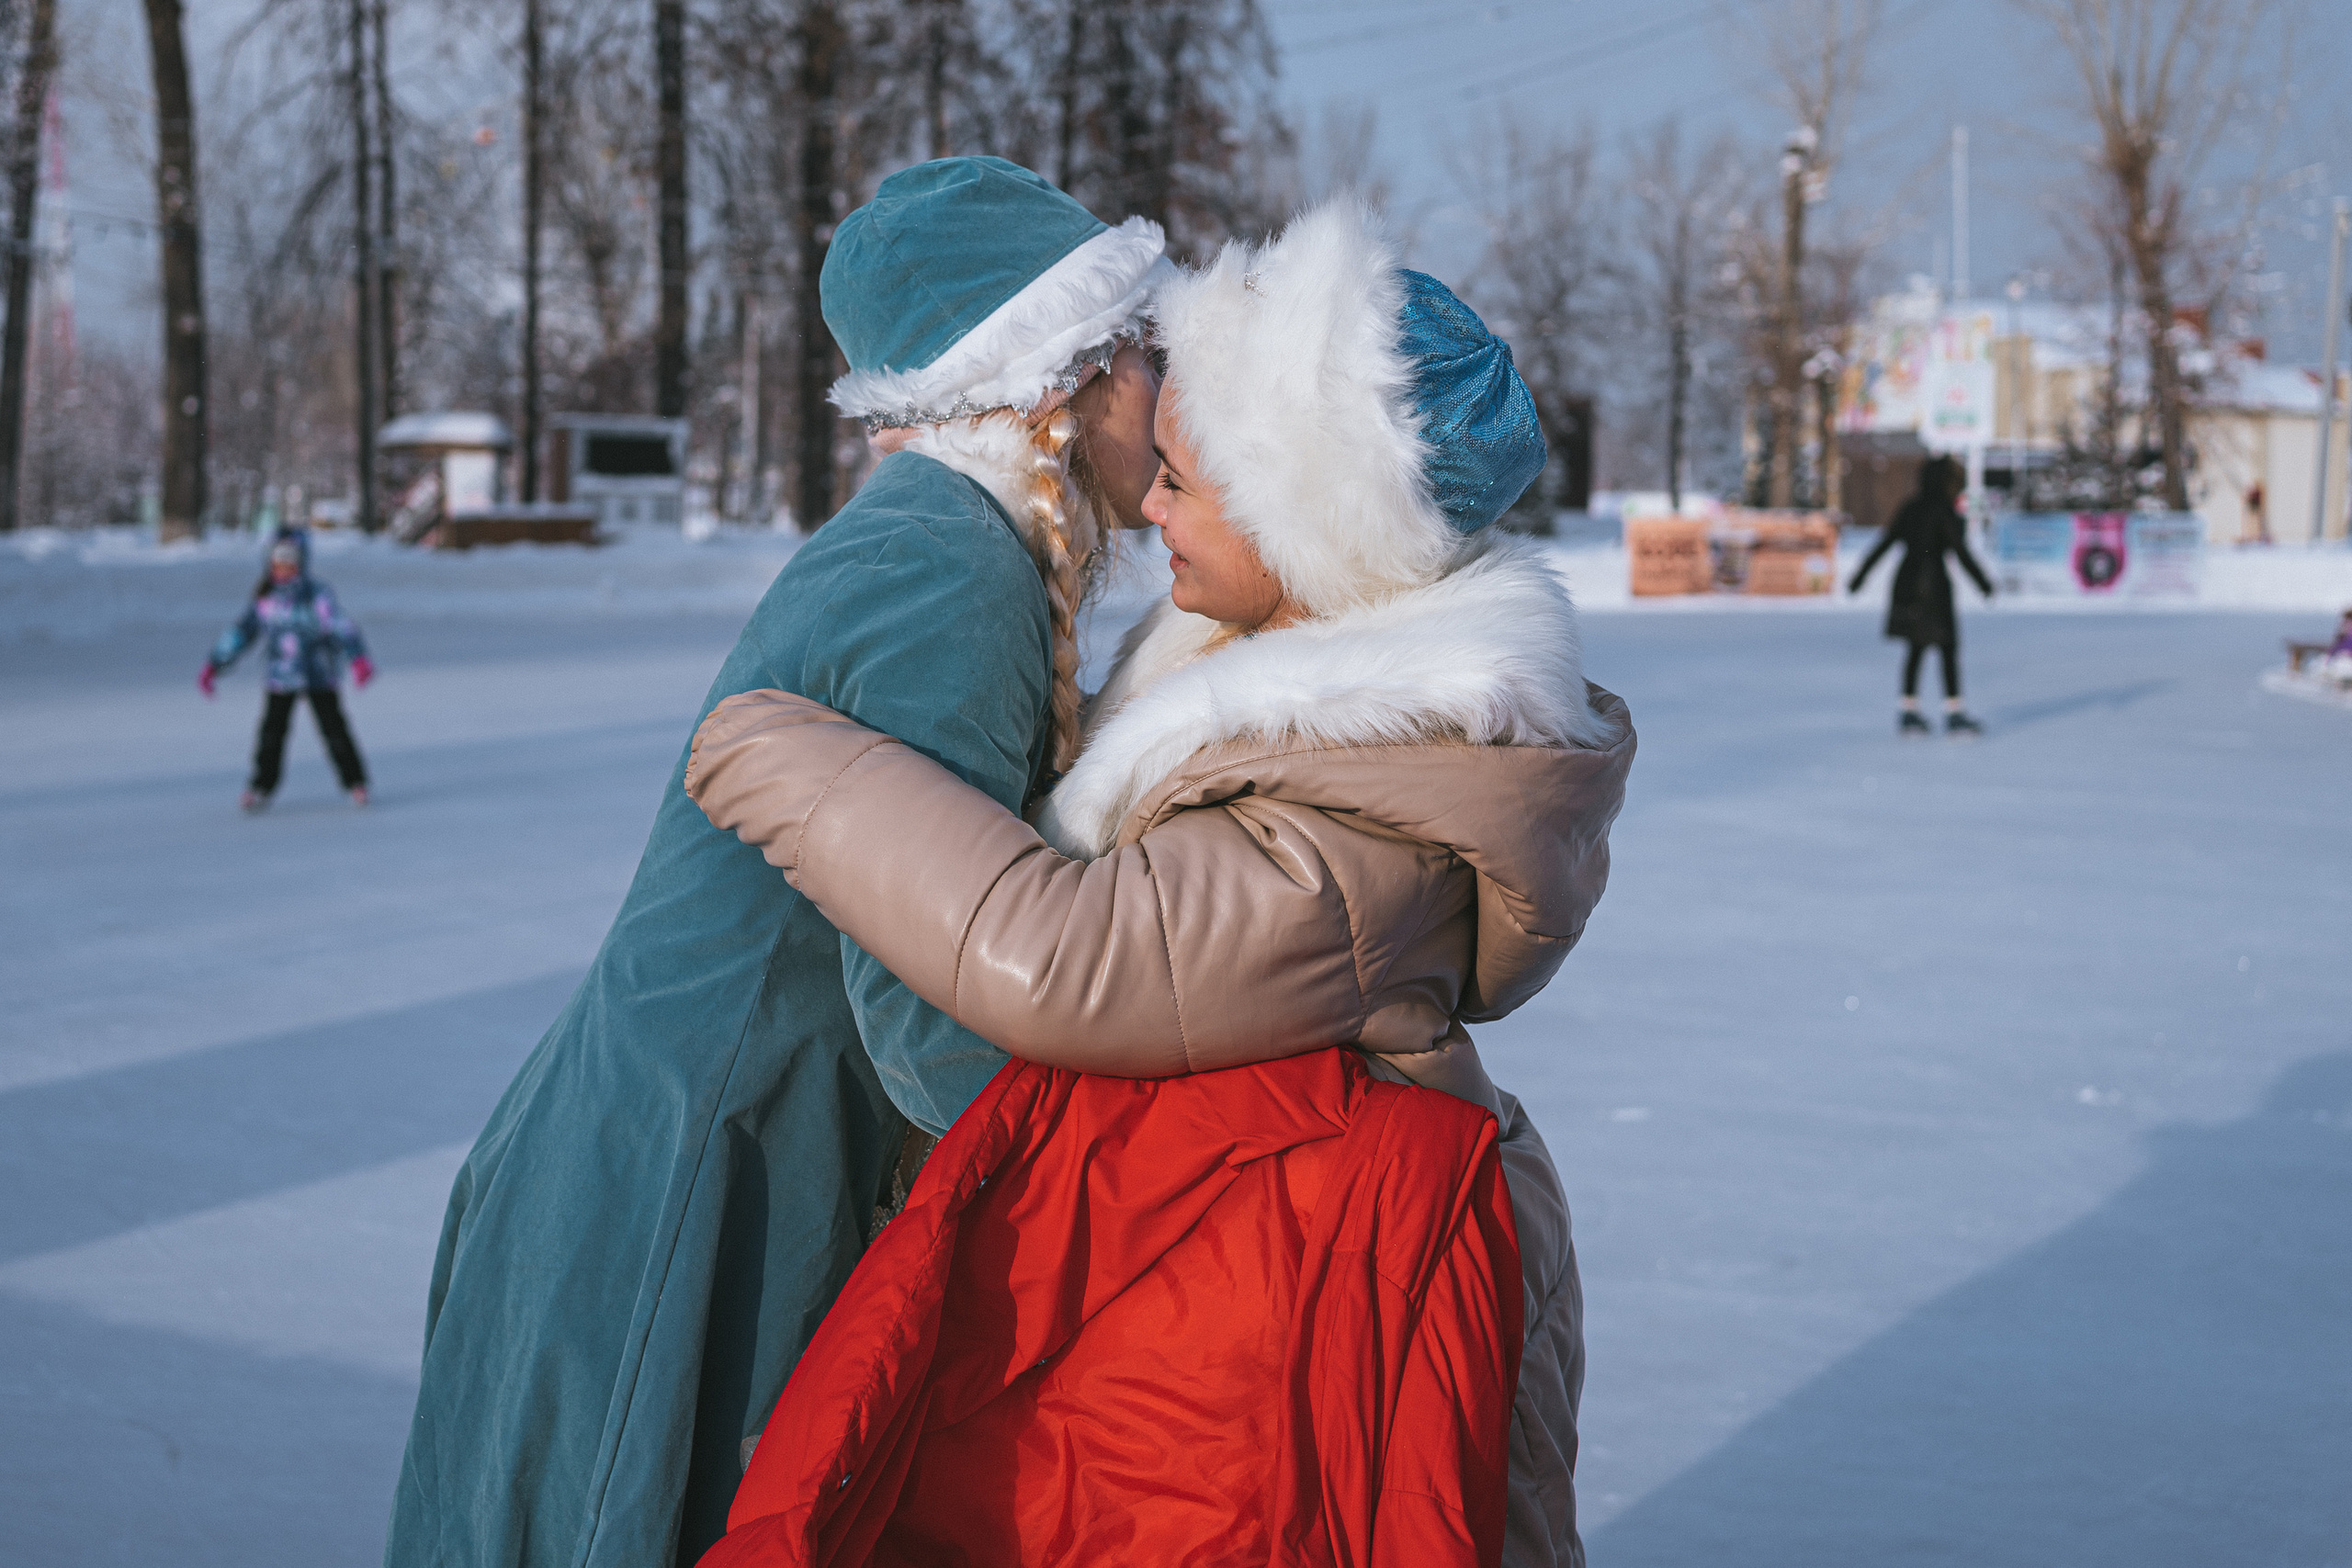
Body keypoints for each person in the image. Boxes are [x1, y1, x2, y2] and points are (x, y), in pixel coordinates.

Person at [685, 200, 1635, 1568]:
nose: (1152, 500)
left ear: (1304, 522)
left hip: (1302, 1319)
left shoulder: (1372, 803)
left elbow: (1078, 958)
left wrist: (781, 751)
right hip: (1234, 1297)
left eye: (1188, 478)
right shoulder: (1261, 687)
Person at [382, 158, 1173, 1568]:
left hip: (713, 1141)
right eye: (1148, 352)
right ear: (1065, 371)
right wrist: (1146, 1184)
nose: (1170, 399)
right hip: (691, 1184)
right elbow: (925, 995)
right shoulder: (951, 564)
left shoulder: (957, 537)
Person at [198, 527, 372, 810]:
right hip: (281, 675)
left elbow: (342, 626)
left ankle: (355, 782)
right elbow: (241, 634)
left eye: (290, 561)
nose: (283, 569)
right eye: (277, 562)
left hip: (319, 673)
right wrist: (215, 664)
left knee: (335, 730)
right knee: (272, 732)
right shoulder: (266, 600)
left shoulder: (317, 596)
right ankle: (261, 785)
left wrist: (358, 657)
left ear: (302, 562)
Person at [1849, 455, 1995, 736]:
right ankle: (1953, 711)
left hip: (1907, 584)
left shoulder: (1911, 508)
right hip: (1934, 586)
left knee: (1915, 648)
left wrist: (1860, 577)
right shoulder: (1944, 510)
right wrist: (1983, 583)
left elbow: (1885, 543)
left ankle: (1908, 710)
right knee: (1947, 647)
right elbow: (1961, 552)